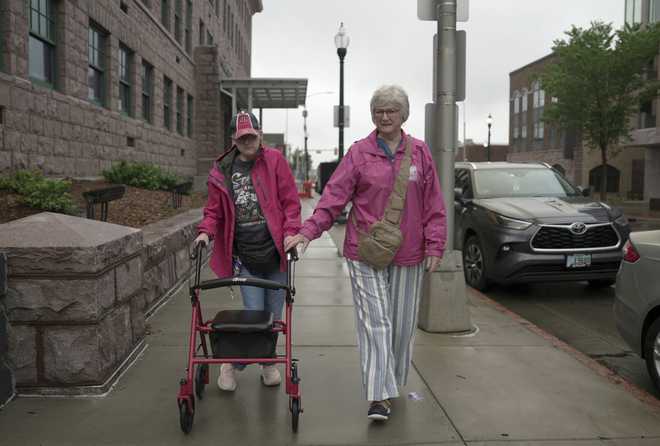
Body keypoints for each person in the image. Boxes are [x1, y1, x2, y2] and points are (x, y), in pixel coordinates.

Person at [285, 85, 447, 421]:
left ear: (404, 114)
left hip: (409, 252)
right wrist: (307, 231)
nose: (385, 116)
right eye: (379, 111)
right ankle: (378, 396)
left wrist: (435, 245)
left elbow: (433, 204)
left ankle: (391, 382)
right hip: (364, 251)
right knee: (377, 323)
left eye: (391, 110)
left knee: (401, 327)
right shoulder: (359, 153)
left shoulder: (419, 153)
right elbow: (333, 198)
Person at [195, 111, 301, 392]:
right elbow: (213, 211)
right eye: (242, 138)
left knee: (274, 318)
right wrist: (205, 232)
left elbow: (291, 203)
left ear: (260, 134)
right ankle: (230, 364)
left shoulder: (275, 160)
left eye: (251, 136)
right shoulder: (223, 170)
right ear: (233, 139)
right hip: (246, 258)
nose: (247, 142)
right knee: (254, 317)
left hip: (276, 255)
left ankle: (267, 364)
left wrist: (291, 232)